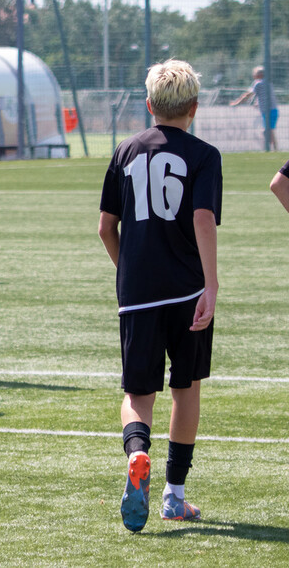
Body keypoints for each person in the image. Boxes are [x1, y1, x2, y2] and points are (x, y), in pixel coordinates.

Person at [98, 58, 220, 533]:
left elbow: (106, 227)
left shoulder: (125, 150)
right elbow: (202, 218)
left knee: (137, 392)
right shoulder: (204, 154)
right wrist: (210, 284)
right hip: (188, 289)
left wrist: (127, 270)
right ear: (194, 107)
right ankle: (174, 495)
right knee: (185, 387)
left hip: (139, 292)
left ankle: (138, 451)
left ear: (149, 105)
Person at [230, 65, 278, 150]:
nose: (253, 76)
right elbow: (265, 96)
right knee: (269, 130)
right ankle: (274, 149)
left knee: (267, 131)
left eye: (254, 74)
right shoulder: (267, 82)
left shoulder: (258, 83)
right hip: (273, 110)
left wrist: (236, 103)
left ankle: (269, 148)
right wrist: (257, 103)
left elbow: (248, 95)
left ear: (259, 75)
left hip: (268, 111)